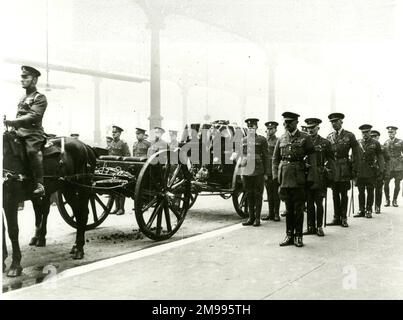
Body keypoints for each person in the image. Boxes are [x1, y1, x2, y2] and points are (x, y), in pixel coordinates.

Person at [273, 112, 317, 247]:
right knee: (288, 209)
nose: (287, 125)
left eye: (290, 122)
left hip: (299, 178)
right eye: (285, 122)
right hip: (285, 177)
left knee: (298, 208)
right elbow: (275, 159)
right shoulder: (281, 139)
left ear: (296, 122)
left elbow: (312, 159)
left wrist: (311, 177)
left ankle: (298, 236)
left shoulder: (305, 138)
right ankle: (289, 235)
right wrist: (276, 176)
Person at [4, 66, 47, 196]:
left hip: (33, 133)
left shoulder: (40, 98)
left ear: (34, 80)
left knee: (32, 151)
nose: (21, 80)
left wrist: (14, 122)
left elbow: (34, 115)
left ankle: (40, 184)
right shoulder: (23, 97)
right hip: (19, 131)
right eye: (21, 77)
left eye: (25, 77)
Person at [326, 112, 360, 227]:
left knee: (344, 193)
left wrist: (354, 169)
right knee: (334, 193)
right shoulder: (329, 136)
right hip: (333, 168)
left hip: (344, 167)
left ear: (341, 121)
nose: (334, 124)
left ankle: (344, 217)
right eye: (332, 122)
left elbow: (356, 154)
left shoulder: (349, 136)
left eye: (336, 121)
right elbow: (327, 154)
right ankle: (336, 217)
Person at [303, 118, 335, 237]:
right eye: (309, 128)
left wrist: (329, 173)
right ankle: (310, 226)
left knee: (319, 202)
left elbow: (331, 159)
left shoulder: (325, 143)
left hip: (320, 176)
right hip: (307, 176)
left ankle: (319, 226)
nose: (310, 130)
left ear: (318, 128)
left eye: (313, 128)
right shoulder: (303, 141)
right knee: (309, 202)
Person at [240, 118, 270, 227]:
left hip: (258, 171)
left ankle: (257, 218)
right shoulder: (243, 140)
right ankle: (251, 217)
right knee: (249, 194)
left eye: (253, 127)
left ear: (256, 127)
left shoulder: (262, 140)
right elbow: (242, 156)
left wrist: (266, 173)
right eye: (249, 127)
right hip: (247, 171)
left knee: (258, 195)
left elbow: (266, 157)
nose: (251, 129)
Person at [353, 124, 384, 218]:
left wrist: (381, 170)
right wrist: (353, 169)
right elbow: (354, 156)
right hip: (360, 170)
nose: (364, 134)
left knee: (370, 191)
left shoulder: (375, 143)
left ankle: (369, 209)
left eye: (366, 132)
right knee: (361, 191)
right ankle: (361, 210)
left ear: (370, 132)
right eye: (363, 132)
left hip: (371, 170)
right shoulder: (358, 142)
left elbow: (380, 157)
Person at [109, 125, 130, 215]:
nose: (113, 134)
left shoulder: (123, 143)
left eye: (115, 132)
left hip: (120, 169)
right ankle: (116, 207)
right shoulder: (111, 143)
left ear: (120, 133)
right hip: (112, 169)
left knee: (121, 189)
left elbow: (127, 156)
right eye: (113, 132)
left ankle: (121, 208)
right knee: (114, 188)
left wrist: (123, 169)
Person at [262, 121, 281, 221]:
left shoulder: (278, 140)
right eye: (268, 129)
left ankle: (276, 214)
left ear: (275, 130)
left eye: (272, 129)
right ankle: (270, 213)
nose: (269, 131)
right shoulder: (264, 141)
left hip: (274, 170)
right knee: (269, 193)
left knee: (276, 193)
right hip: (267, 170)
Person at [370, 130, 390, 213]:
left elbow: (387, 161)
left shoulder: (383, 148)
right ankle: (369, 207)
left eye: (375, 136)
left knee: (378, 190)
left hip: (379, 172)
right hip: (370, 171)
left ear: (378, 137)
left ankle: (377, 206)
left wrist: (387, 173)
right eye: (372, 136)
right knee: (370, 189)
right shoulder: (368, 147)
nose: (374, 138)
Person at [383, 126, 403, 207]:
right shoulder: (386, 142)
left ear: (395, 133)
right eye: (389, 132)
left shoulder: (400, 142)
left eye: (392, 132)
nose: (390, 134)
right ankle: (387, 200)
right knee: (386, 183)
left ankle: (395, 200)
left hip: (398, 166)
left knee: (397, 184)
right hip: (389, 167)